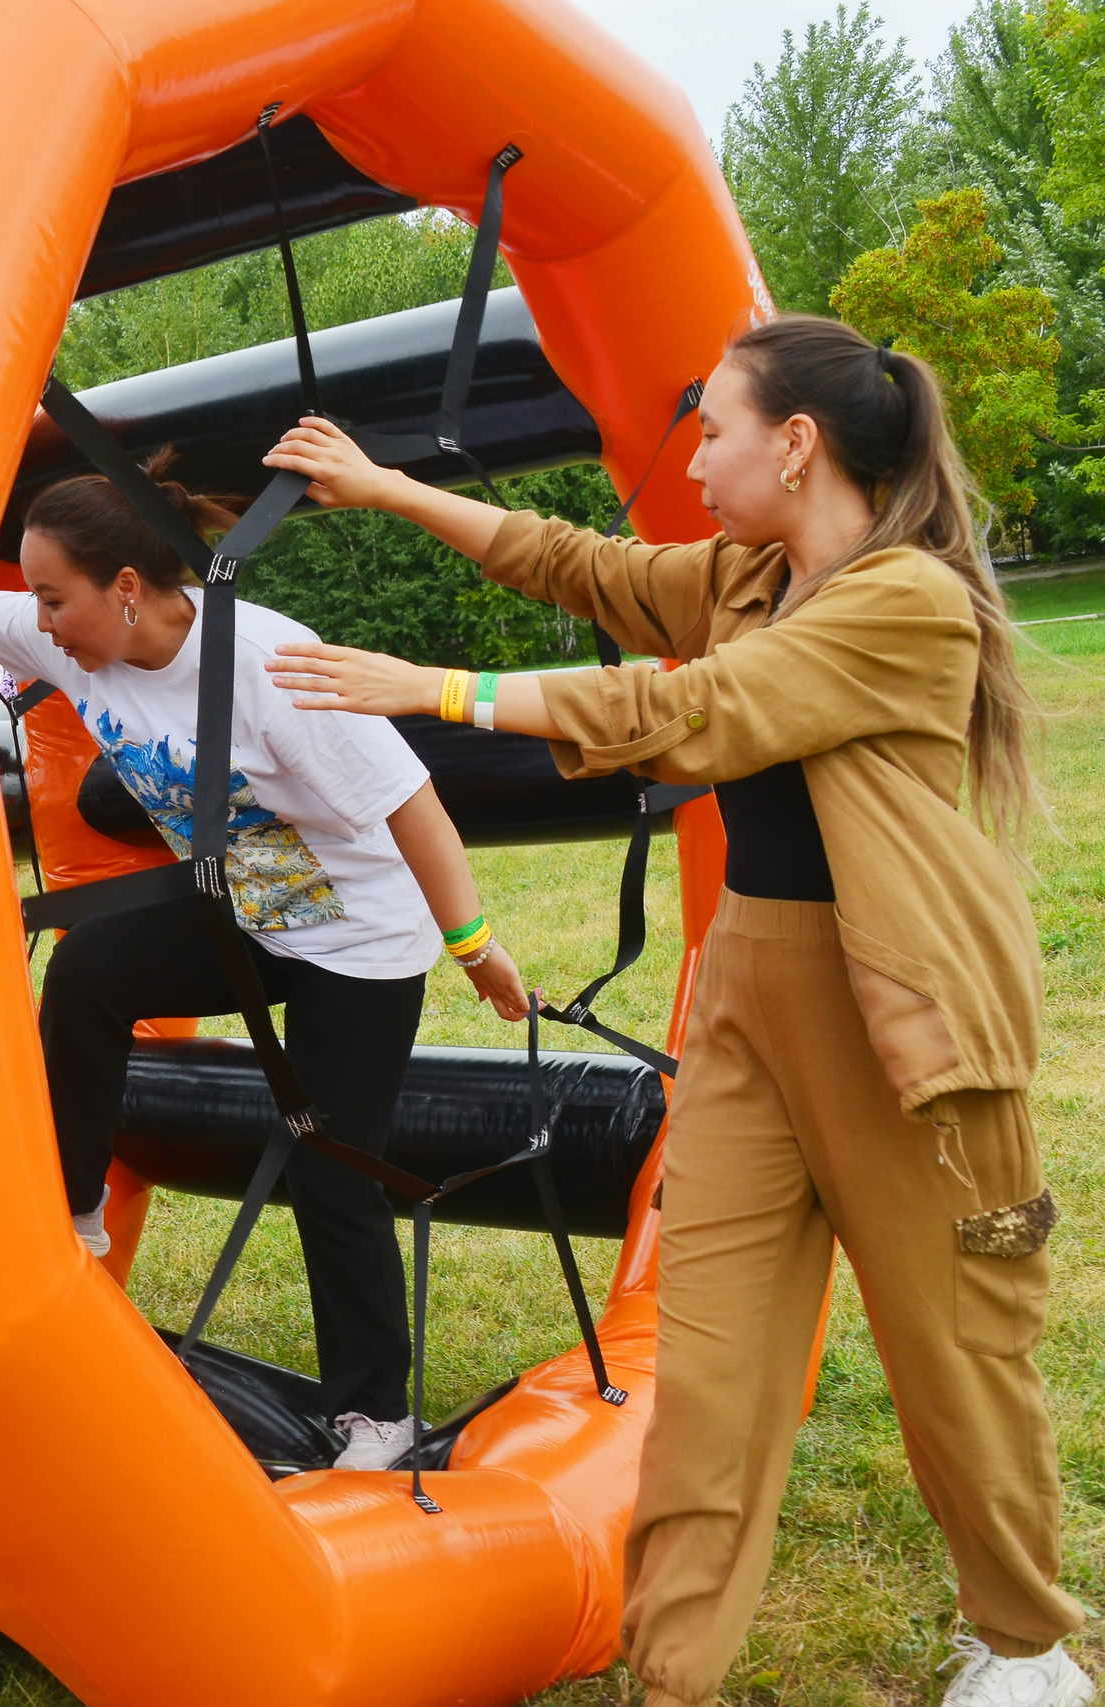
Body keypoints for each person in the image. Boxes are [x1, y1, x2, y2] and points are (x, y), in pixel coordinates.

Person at [259, 317, 1089, 1707]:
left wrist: (439, 690)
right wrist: (393, 487)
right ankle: (679, 1677)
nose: (694, 460)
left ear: (797, 443)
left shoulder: (907, 601)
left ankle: (1026, 1644)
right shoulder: (755, 571)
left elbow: (699, 707)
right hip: (753, 998)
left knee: (954, 1351)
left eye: (713, 429)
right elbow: (575, 562)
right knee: (706, 1372)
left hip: (905, 1024)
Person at [0, 451, 530, 1474]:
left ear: (127, 590)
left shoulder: (268, 667)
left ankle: (374, 1417)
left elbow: (414, 806)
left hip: (358, 938)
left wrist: (474, 948)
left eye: (54, 598)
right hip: (253, 906)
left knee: (330, 1164)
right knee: (90, 968)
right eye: (33, 599)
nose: (38, 621)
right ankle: (74, 1214)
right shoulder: (73, 643)